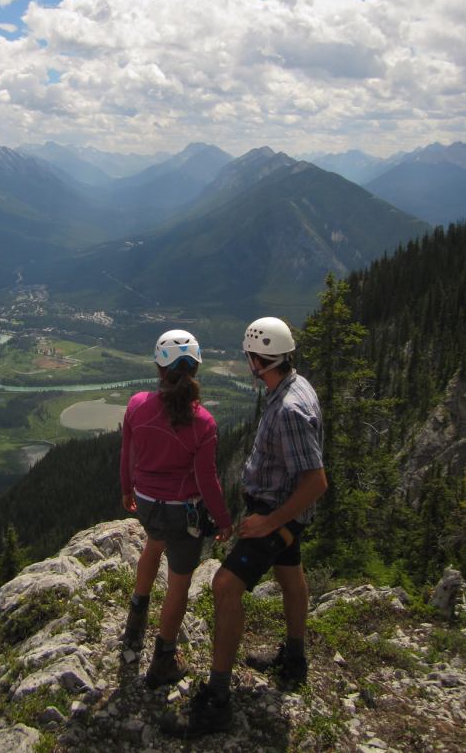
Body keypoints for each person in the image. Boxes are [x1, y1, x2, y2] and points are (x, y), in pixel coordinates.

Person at [164, 316, 326, 737]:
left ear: (258, 360)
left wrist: (269, 522)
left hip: (275, 513)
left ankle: (217, 700)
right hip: (279, 510)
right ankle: (294, 660)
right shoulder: (294, 387)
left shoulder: (289, 408)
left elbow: (315, 481)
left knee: (225, 586)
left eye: (249, 357)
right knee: (291, 576)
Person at [120, 329, 233, 689]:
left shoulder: (138, 405)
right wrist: (224, 519)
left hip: (148, 505)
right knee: (179, 583)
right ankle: (163, 659)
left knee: (153, 546)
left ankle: (136, 617)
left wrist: (127, 491)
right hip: (183, 512)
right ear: (196, 368)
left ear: (158, 367)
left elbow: (128, 454)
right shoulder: (203, 422)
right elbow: (207, 479)